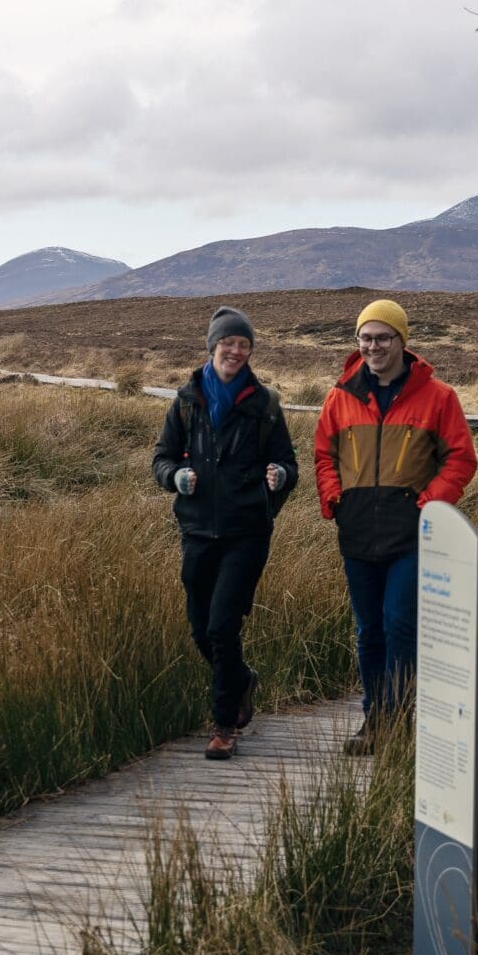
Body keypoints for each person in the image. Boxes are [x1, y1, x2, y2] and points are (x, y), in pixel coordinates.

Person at [314, 298, 478, 753]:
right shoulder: (339, 396)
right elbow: (324, 456)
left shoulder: (439, 397)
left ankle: (401, 721)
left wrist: (426, 506)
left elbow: (461, 459)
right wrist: (335, 500)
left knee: (399, 625)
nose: (373, 346)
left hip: (411, 538)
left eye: (383, 337)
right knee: (369, 631)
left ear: (402, 341)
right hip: (358, 534)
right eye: (366, 338)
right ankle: (376, 719)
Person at [153, 306, 298, 760]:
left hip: (246, 533)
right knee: (200, 628)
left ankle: (223, 725)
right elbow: (161, 459)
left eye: (244, 345)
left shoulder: (265, 404)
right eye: (228, 343)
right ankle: (241, 681)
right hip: (197, 531)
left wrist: (279, 476)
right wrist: (175, 476)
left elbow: (289, 464)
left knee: (221, 627)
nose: (235, 351)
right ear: (212, 346)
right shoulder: (186, 401)